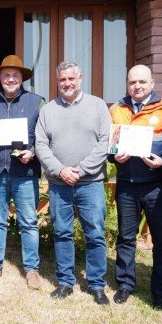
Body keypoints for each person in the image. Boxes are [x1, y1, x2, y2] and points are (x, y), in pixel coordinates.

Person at [35, 61, 111, 305]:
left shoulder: (97, 105)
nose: (67, 83)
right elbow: (40, 145)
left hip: (90, 183)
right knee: (62, 232)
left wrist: (81, 170)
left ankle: (97, 284)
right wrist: (60, 170)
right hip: (59, 183)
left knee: (95, 234)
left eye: (71, 78)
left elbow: (105, 142)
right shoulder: (48, 109)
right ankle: (65, 281)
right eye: (62, 80)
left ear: (80, 78)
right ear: (57, 82)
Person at [108, 65, 162, 308]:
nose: (137, 86)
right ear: (127, 84)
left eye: (142, 82)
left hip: (156, 185)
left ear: (152, 83)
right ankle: (125, 285)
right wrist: (113, 156)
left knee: (161, 240)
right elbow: (109, 144)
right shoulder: (116, 109)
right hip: (127, 184)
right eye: (132, 82)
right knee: (126, 237)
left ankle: (160, 291)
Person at [0, 55, 45, 289]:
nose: (11, 79)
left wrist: (33, 151)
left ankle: (32, 270)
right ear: (0, 78)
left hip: (24, 171)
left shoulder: (37, 102)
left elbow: (44, 136)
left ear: (22, 78)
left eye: (15, 75)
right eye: (6, 75)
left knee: (28, 222)